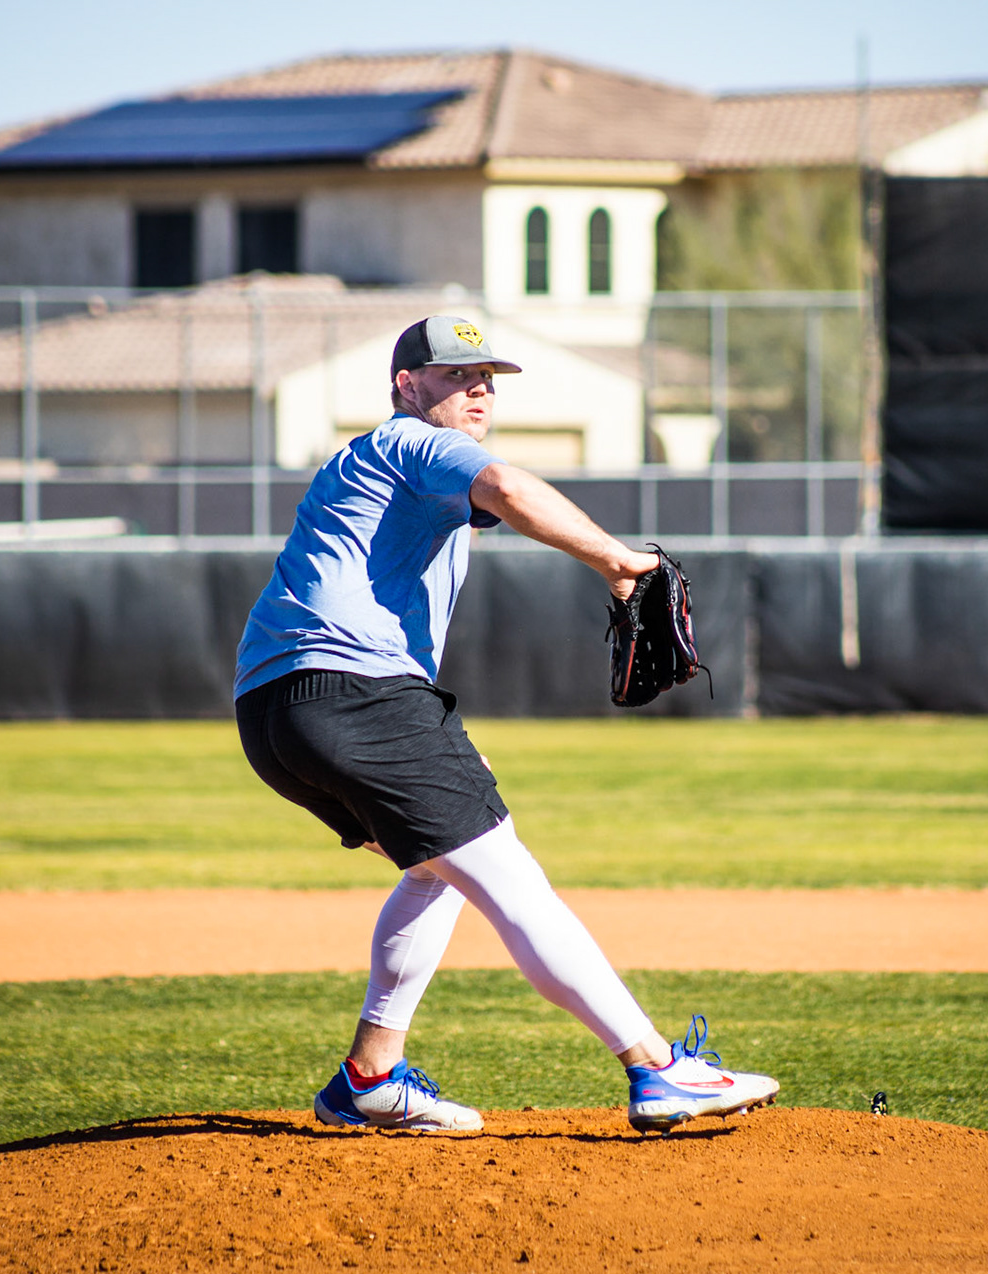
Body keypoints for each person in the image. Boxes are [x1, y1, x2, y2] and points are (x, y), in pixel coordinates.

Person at [233, 315, 777, 1134]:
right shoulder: (414, 443)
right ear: (407, 386)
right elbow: (513, 491)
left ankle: (369, 1077)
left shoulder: (378, 467)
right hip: (357, 692)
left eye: (486, 374)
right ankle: (658, 1069)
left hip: (274, 713)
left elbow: (489, 506)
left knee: (437, 867)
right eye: (456, 373)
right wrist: (622, 563)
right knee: (508, 875)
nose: (479, 386)